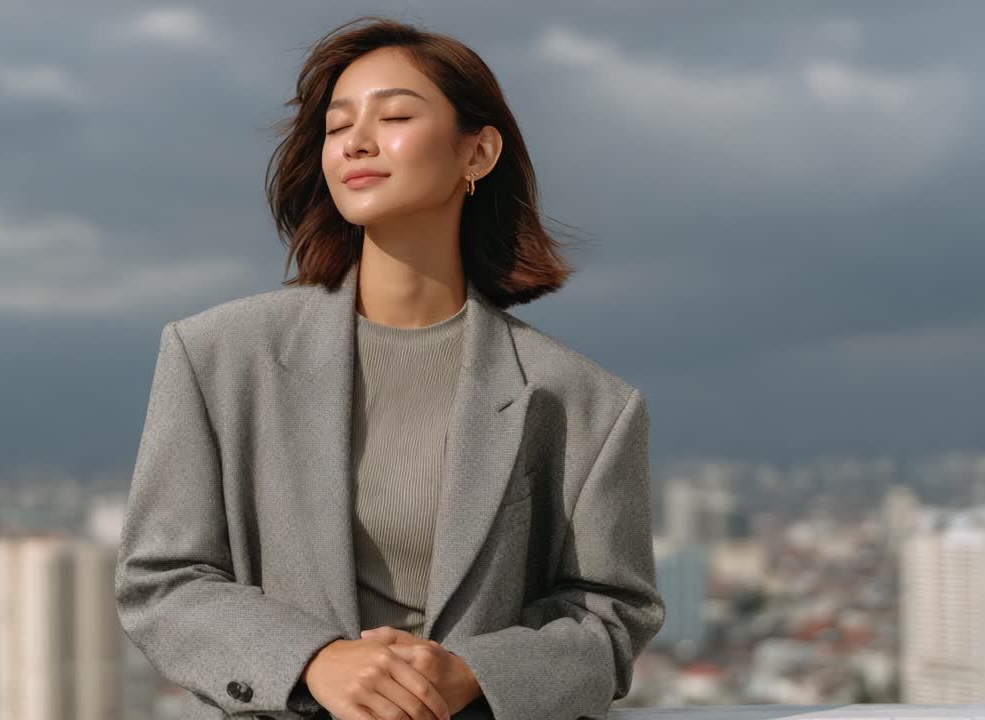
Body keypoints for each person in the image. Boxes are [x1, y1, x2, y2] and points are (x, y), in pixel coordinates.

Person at [115, 15, 666, 720]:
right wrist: (313, 660)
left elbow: (612, 616)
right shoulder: (216, 356)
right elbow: (160, 580)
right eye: (338, 126)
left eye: (396, 116)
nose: (357, 142)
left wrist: (471, 673)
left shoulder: (583, 402)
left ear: (478, 152)